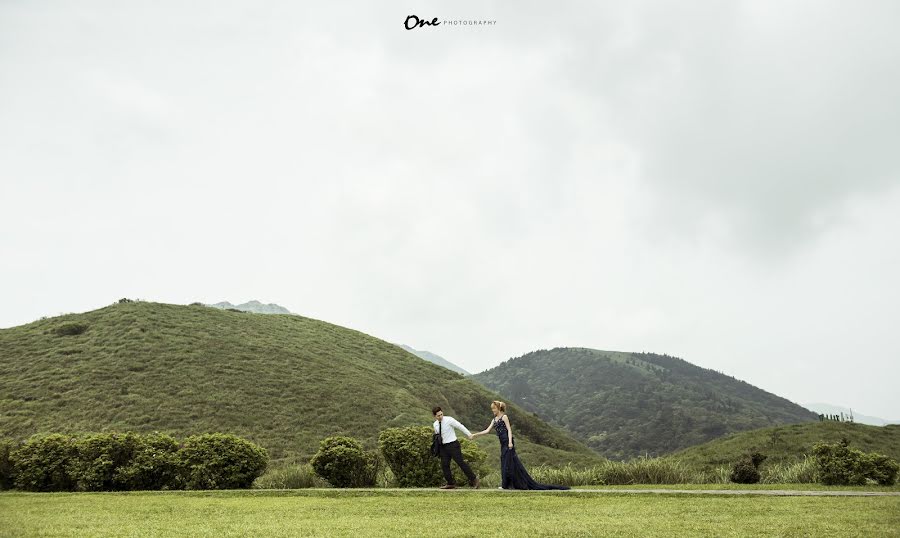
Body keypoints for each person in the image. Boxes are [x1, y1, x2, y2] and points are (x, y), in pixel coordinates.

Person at [471, 400, 570, 490]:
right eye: (492, 409)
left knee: (507, 463)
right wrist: (475, 435)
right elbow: (487, 431)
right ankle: (510, 484)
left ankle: (505, 485)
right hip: (502, 444)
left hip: (508, 442)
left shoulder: (504, 417)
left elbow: (509, 430)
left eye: (494, 408)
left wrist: (510, 442)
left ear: (499, 408)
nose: (493, 410)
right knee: (507, 463)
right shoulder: (494, 420)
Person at [432, 406, 480, 489]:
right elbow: (437, 435)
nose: (440, 417)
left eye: (441, 414)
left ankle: (474, 480)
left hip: (453, 445)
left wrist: (469, 434)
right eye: (438, 416)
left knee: (461, 462)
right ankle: (450, 483)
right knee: (445, 465)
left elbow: (459, 426)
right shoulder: (435, 424)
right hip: (443, 447)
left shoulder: (449, 420)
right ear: (435, 416)